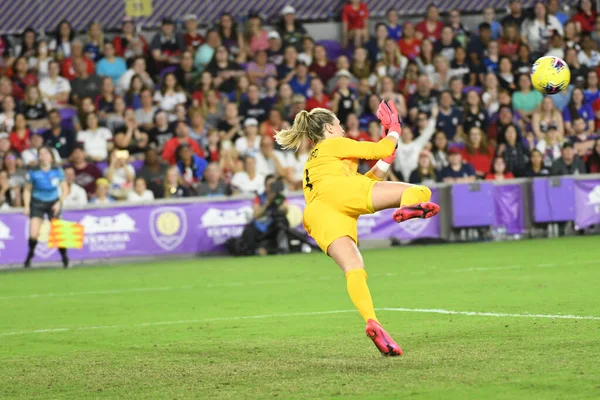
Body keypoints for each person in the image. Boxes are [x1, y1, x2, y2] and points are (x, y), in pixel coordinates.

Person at [274, 103, 440, 356]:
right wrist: (394, 129)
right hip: (340, 196)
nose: (342, 128)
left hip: (318, 213)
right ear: (329, 127)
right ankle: (409, 207)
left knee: (354, 269)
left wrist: (386, 161)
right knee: (419, 191)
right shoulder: (333, 143)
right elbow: (380, 148)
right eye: (339, 123)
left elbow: (365, 183)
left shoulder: (313, 161)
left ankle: (372, 321)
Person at [22, 146, 70, 268]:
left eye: (46, 153)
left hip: (53, 202)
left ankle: (64, 258)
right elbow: (27, 190)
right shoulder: (33, 171)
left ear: (51, 156)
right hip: (37, 202)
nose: (43, 156)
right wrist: (27, 206)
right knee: (33, 234)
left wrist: (59, 202)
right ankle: (30, 255)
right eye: (41, 154)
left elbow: (65, 189)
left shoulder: (57, 170)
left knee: (57, 232)